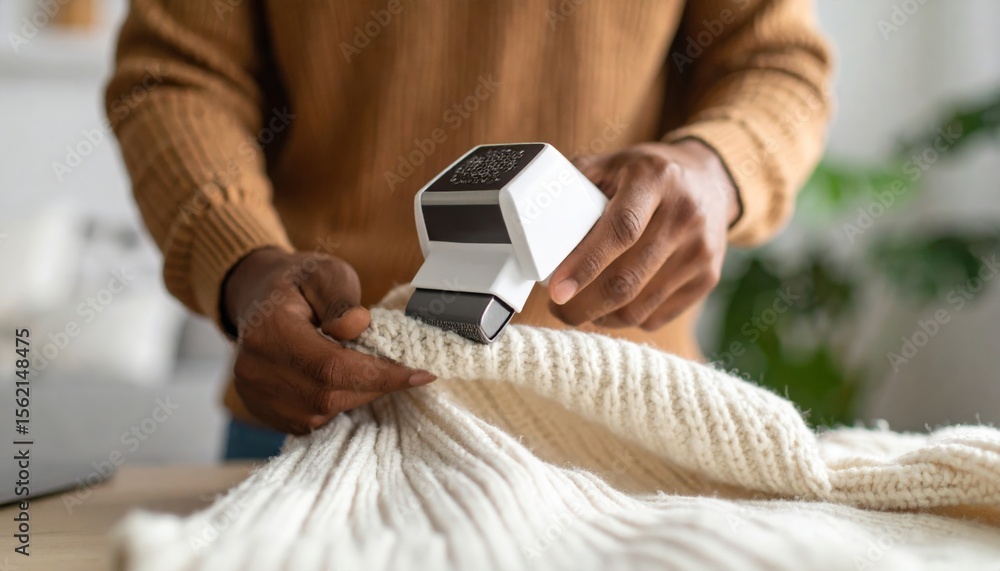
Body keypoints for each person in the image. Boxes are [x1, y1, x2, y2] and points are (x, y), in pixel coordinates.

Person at [105, 0, 832, 459]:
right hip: (313, 408)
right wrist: (246, 263)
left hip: (620, 428)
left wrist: (718, 165)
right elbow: (173, 74)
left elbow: (775, 58)